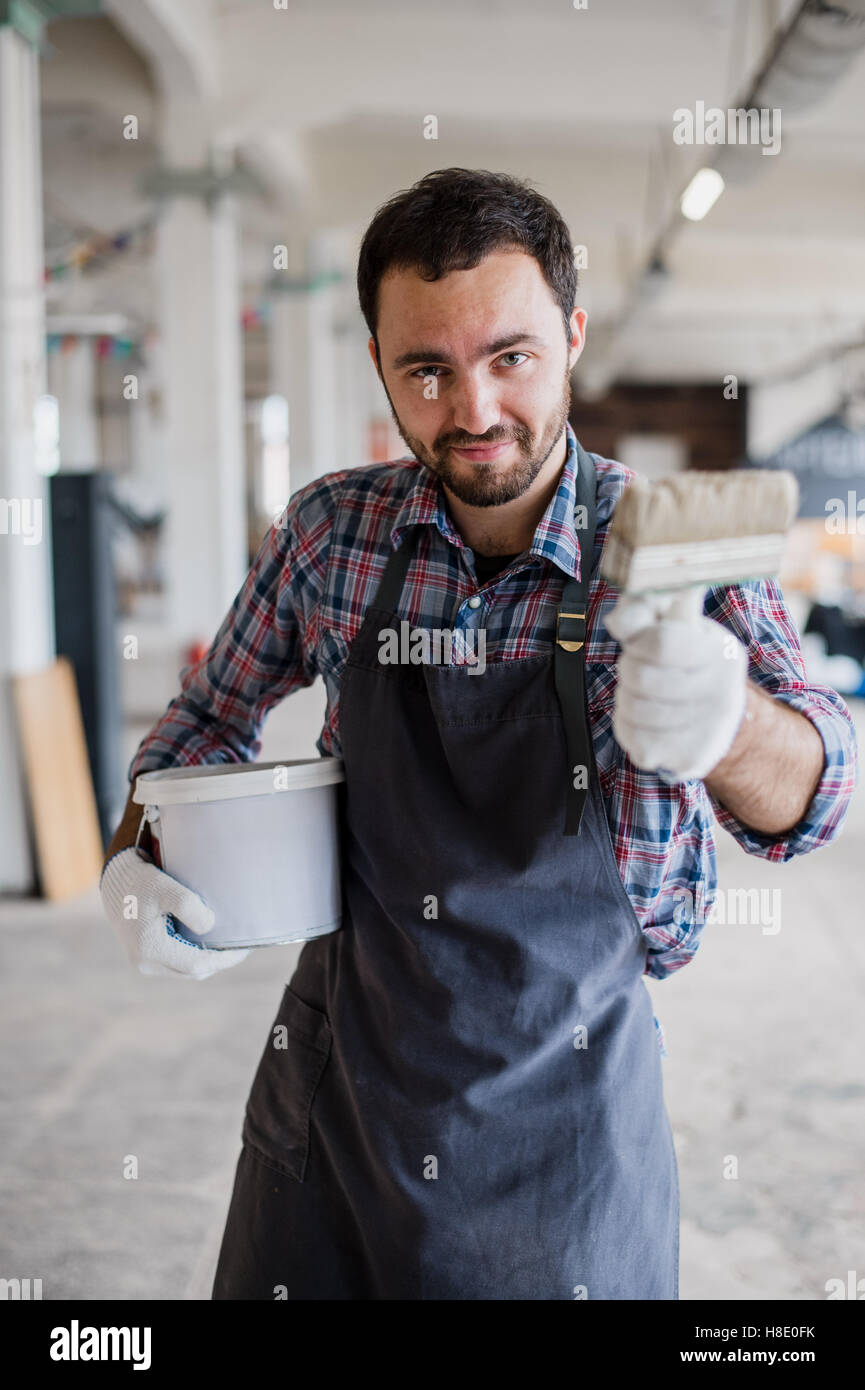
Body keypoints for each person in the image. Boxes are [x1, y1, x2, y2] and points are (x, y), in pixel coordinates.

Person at [100, 167, 858, 1300]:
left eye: (511, 356)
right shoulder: (330, 535)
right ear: (381, 369)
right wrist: (141, 848)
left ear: (572, 335)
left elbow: (816, 795)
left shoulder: (674, 550)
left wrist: (724, 721)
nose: (475, 412)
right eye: (428, 370)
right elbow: (210, 717)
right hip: (345, 1086)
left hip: (571, 1117)